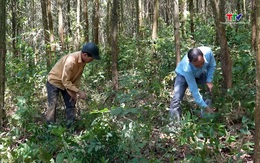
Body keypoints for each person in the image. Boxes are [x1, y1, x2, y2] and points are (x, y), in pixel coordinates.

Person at [46, 42, 100, 124]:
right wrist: (79, 92)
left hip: (67, 83)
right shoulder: (71, 61)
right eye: (91, 59)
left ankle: (71, 127)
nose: (91, 61)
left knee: (71, 103)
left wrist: (74, 92)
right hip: (54, 81)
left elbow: (77, 77)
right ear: (85, 55)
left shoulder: (83, 61)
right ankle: (49, 128)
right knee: (52, 106)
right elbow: (65, 80)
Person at [169, 46, 216, 121]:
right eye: (197, 65)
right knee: (176, 99)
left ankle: (207, 120)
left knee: (207, 92)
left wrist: (209, 80)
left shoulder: (208, 52)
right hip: (183, 75)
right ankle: (174, 125)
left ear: (203, 56)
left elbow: (212, 65)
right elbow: (195, 92)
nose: (201, 66)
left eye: (202, 63)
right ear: (190, 62)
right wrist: (206, 107)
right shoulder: (186, 68)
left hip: (201, 74)